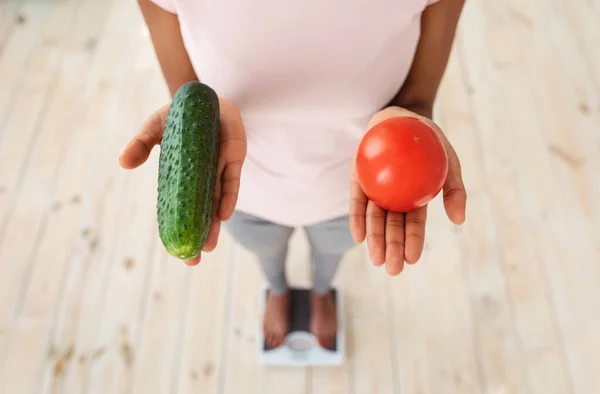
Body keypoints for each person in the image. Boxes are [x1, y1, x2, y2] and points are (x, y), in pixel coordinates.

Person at [119, 0, 468, 348]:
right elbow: (188, 94)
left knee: (331, 254)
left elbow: (419, 95)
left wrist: (410, 119)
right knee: (266, 252)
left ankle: (320, 293)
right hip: (239, 185)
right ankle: (278, 289)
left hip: (355, 195)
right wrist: (199, 114)